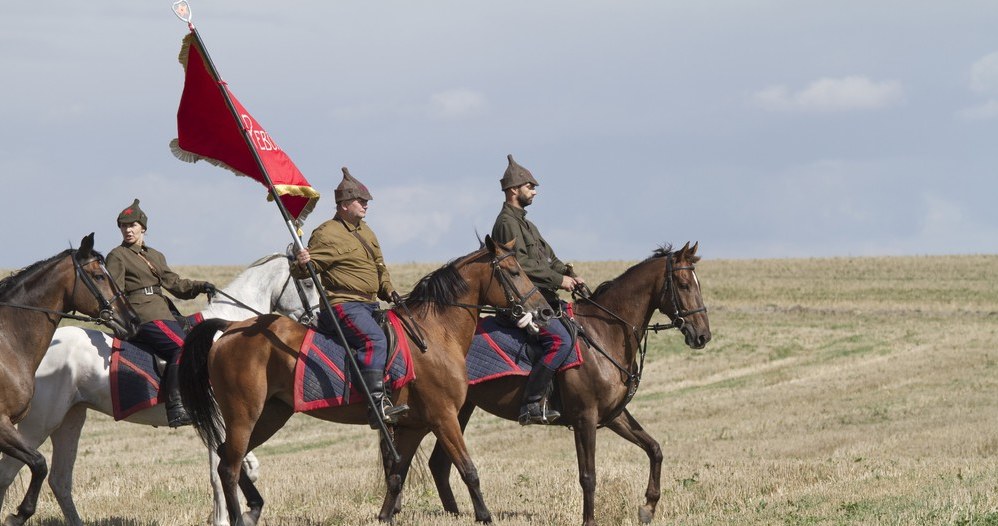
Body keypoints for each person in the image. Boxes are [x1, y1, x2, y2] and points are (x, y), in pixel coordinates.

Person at [292, 167, 405, 428]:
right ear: (343, 205)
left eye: (366, 201)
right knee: (374, 339)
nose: (366, 205)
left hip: (371, 304)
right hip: (343, 305)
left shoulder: (367, 231)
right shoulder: (325, 233)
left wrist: (389, 290)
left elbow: (380, 267)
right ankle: (376, 405)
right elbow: (305, 271)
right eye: (361, 201)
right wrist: (301, 262)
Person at [491, 154, 586, 425]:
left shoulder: (527, 224)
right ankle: (532, 403)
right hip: (524, 302)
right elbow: (518, 265)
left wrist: (570, 275)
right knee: (561, 341)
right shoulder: (506, 223)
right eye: (530, 187)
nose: (534, 191)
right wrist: (558, 281)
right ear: (513, 190)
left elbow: (548, 259)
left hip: (541, 298)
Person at [105, 198, 216, 428]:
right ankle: (176, 406)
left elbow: (174, 284)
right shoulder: (117, 255)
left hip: (163, 312)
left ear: (143, 228)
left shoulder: (155, 255)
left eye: (132, 225)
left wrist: (200, 285)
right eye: (123, 226)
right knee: (183, 348)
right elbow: (114, 292)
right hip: (143, 315)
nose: (128, 230)